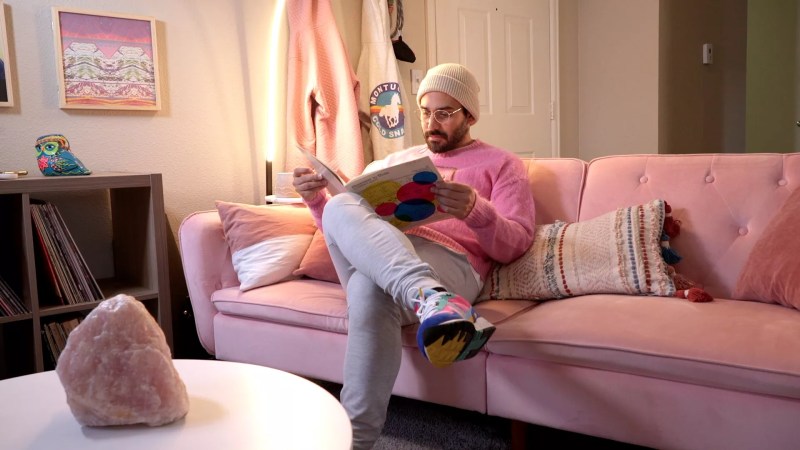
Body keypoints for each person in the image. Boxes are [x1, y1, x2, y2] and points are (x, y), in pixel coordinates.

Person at [292, 63, 536, 449]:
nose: (431, 122)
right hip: (389, 259)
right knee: (340, 209)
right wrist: (315, 199)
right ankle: (431, 298)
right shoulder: (392, 164)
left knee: (369, 293)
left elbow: (518, 243)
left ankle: (354, 442)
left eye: (444, 113)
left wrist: (475, 209)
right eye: (425, 111)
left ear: (469, 115)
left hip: (452, 262)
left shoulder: (504, 165)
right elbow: (345, 234)